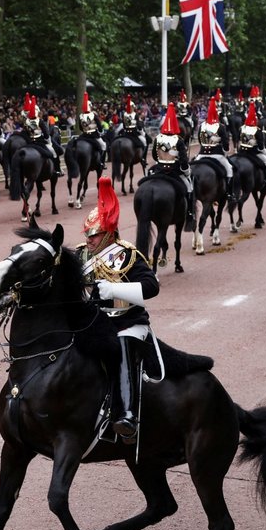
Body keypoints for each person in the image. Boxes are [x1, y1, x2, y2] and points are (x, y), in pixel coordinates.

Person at [80, 177, 160, 441]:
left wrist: (114, 290)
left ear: (109, 233)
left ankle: (127, 416)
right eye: (87, 235)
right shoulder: (82, 256)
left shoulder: (127, 254)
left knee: (124, 349)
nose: (89, 240)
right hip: (95, 323)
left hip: (128, 322)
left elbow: (151, 287)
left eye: (95, 235)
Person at [150, 102, 194, 221]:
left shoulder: (158, 138)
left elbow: (154, 155)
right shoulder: (178, 140)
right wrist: (186, 170)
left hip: (159, 169)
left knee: (148, 176)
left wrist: (162, 159)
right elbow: (184, 160)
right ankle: (190, 212)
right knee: (189, 187)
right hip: (174, 170)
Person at [195, 96, 236, 201]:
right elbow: (225, 141)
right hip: (217, 154)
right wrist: (226, 151)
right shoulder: (221, 126)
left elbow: (200, 139)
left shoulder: (202, 125)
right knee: (230, 170)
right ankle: (229, 194)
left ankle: (190, 193)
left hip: (202, 154)